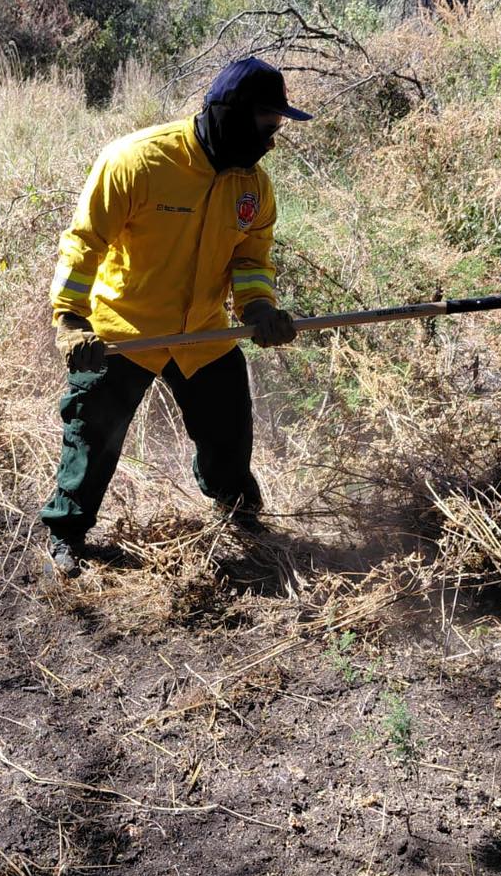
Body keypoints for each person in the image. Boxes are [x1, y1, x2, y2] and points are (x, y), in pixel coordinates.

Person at [38, 56, 312, 577]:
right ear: (229, 114)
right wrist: (71, 319)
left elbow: (251, 259)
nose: (272, 139)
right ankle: (67, 533)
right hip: (125, 329)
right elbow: (84, 242)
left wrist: (259, 308)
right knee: (92, 432)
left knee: (228, 431)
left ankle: (237, 513)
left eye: (277, 127)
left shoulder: (253, 186)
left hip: (204, 332)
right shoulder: (136, 161)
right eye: (266, 124)